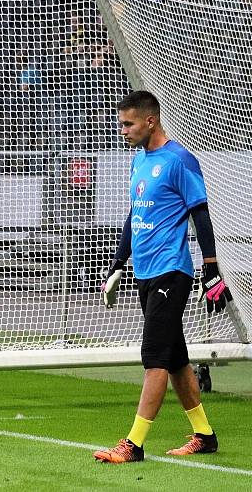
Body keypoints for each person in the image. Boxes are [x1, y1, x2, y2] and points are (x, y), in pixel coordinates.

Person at [93, 91, 232, 464]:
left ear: (150, 121)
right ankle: (204, 435)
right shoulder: (139, 161)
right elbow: (133, 215)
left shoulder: (179, 160)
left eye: (128, 124)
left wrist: (211, 266)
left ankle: (133, 444)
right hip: (145, 272)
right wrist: (118, 263)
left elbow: (200, 214)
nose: (122, 130)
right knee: (174, 359)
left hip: (173, 272)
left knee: (154, 355)